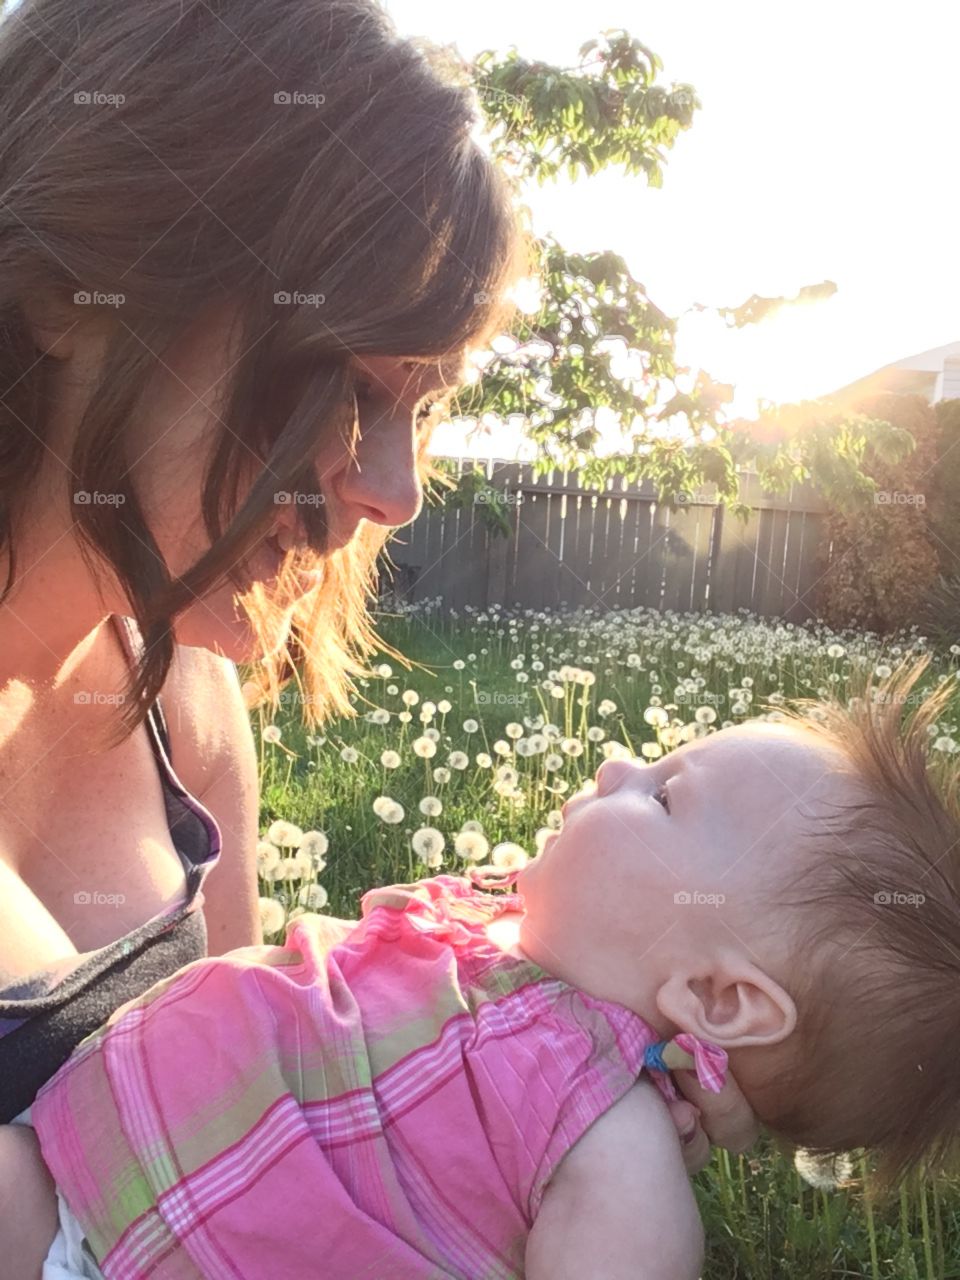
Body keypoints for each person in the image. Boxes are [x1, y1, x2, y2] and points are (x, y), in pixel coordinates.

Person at [16, 660, 960, 1279]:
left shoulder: (620, 1159)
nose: (616, 767)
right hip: (82, 1157)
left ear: (717, 996)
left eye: (665, 796)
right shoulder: (499, 927)